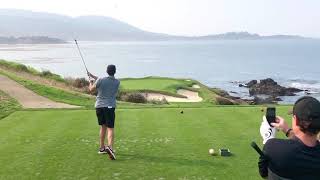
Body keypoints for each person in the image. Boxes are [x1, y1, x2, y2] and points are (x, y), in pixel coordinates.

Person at [258, 96, 320, 179]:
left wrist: (267, 138)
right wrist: (287, 131)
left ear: (296, 120)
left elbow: (264, 174)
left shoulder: (272, 147)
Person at [88, 64, 120, 160]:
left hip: (99, 106)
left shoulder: (101, 80)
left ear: (106, 71)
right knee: (110, 128)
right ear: (115, 71)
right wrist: (93, 76)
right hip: (110, 107)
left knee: (103, 127)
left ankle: (102, 148)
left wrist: (91, 81)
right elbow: (104, 80)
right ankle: (110, 147)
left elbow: (91, 89)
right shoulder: (117, 82)